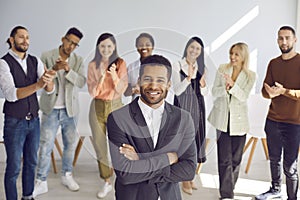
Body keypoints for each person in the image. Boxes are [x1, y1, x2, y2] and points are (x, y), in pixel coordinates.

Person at [107, 54, 197, 200]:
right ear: (139, 81)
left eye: (160, 80)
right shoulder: (118, 118)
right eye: (147, 79)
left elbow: (188, 170)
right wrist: (169, 158)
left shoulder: (184, 119)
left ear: (169, 84)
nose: (153, 86)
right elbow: (126, 174)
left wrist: (141, 160)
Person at [0, 26, 55, 200]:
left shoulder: (35, 61)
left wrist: (49, 80)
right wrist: (38, 85)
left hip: (34, 121)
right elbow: (11, 94)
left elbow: (49, 90)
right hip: (14, 122)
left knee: (31, 163)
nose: (25, 41)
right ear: (11, 40)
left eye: (28, 37)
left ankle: (28, 196)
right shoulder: (3, 63)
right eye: (21, 37)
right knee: (14, 167)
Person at [33, 27, 86, 197]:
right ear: (63, 39)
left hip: (71, 111)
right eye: (69, 41)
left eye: (75, 44)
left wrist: (69, 70)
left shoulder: (78, 60)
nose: (71, 46)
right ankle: (40, 181)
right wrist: (55, 68)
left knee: (69, 145)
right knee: (45, 145)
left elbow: (81, 82)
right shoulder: (47, 56)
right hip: (50, 109)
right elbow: (39, 81)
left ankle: (67, 175)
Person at [255, 26, 300, 200]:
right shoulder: (273, 63)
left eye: (287, 38)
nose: (284, 42)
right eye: (280, 38)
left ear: (295, 40)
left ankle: (292, 198)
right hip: (273, 120)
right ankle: (275, 190)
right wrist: (270, 93)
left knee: (290, 166)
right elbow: (265, 91)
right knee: (274, 159)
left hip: (294, 123)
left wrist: (284, 91)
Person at [208, 42, 256, 200]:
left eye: (236, 54)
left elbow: (243, 96)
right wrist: (225, 88)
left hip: (239, 122)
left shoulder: (250, 75)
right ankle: (226, 194)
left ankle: (229, 188)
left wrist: (233, 85)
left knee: (236, 159)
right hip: (222, 120)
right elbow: (214, 91)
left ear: (243, 57)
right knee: (224, 159)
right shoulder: (222, 68)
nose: (232, 57)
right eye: (231, 53)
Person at [87, 32, 128, 198]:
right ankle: (107, 181)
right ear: (98, 47)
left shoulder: (121, 63)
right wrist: (103, 77)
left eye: (109, 46)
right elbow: (93, 92)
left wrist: (113, 75)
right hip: (97, 106)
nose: (106, 49)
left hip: (116, 106)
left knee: (118, 145)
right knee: (100, 146)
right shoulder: (92, 65)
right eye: (103, 46)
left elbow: (121, 90)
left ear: (114, 47)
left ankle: (122, 178)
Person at [172, 36, 207, 195]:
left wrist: (203, 85)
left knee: (195, 142)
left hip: (198, 107)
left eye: (198, 49)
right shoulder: (177, 64)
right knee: (184, 142)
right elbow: (176, 91)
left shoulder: (202, 68)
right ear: (187, 48)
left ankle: (189, 176)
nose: (194, 51)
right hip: (182, 107)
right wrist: (188, 78)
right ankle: (185, 179)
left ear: (200, 52)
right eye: (192, 47)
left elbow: (205, 93)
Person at [124, 33, 154, 100]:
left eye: (147, 45)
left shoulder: (160, 66)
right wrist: (134, 89)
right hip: (137, 105)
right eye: (140, 45)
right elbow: (125, 92)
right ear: (136, 47)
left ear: (153, 47)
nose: (144, 47)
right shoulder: (131, 67)